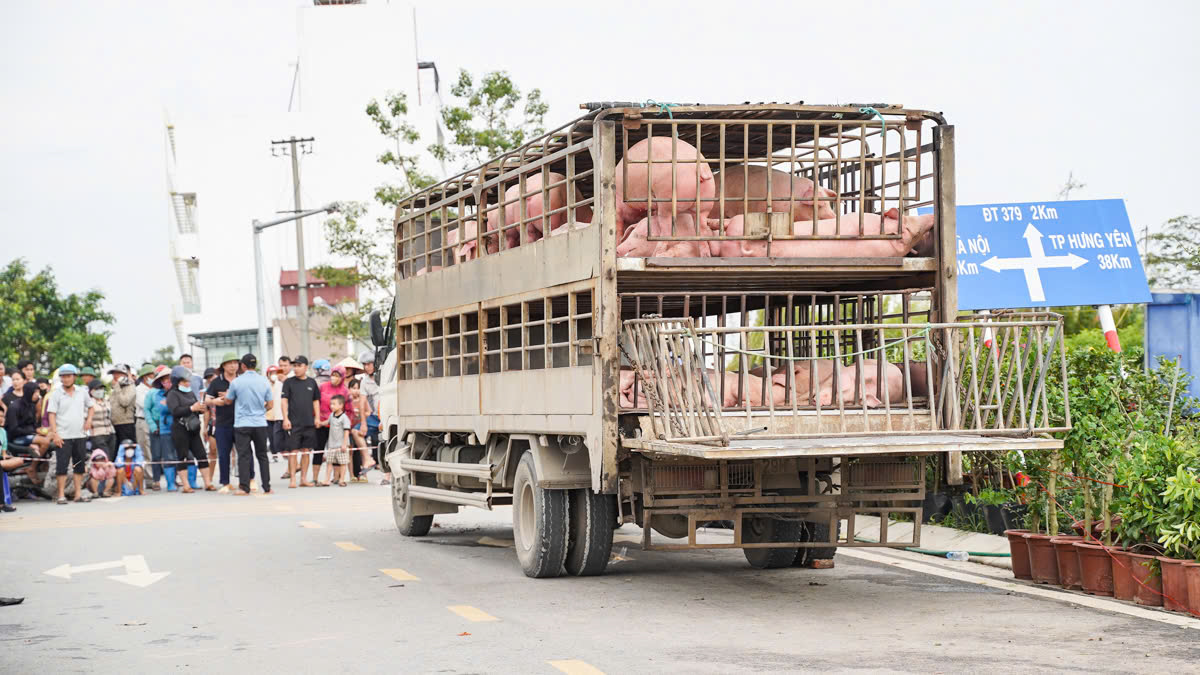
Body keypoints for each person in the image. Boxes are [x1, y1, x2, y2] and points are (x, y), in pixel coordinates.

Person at [226, 353, 273, 496]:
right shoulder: (264, 381)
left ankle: (244, 487)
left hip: (242, 423)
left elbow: (228, 400)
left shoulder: (236, 382)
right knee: (262, 456)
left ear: (243, 366)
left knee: (244, 456)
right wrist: (259, 410)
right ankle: (267, 487)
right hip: (260, 423)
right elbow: (270, 404)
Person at [47, 364, 94, 504]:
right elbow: (51, 415)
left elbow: (91, 407)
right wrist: (55, 434)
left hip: (79, 434)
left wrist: (89, 420)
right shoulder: (56, 394)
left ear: (74, 377)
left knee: (79, 465)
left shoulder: (82, 392)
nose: (66, 379)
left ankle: (78, 494)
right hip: (63, 436)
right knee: (62, 466)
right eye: (63, 376)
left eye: (68, 376)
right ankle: (61, 495)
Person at [166, 365, 213, 492]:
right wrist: (192, 408)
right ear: (177, 382)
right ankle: (186, 485)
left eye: (188, 381)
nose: (187, 383)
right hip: (180, 429)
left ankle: (208, 483)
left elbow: (196, 408)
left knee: (202, 455)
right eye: (184, 381)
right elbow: (175, 411)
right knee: (183, 456)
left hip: (193, 429)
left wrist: (200, 409)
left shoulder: (191, 392)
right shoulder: (172, 394)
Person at [280, 355, 319, 489]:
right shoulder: (288, 382)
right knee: (293, 451)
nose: (296, 368)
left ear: (306, 367)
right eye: (294, 366)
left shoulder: (312, 382)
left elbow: (316, 401)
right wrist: (285, 418)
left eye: (299, 365)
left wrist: (317, 417)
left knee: (306, 451)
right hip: (293, 423)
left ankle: (303, 479)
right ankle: (292, 479)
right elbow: (284, 401)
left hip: (308, 422)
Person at [206, 353, 240, 493]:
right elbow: (207, 400)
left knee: (244, 453)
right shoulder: (216, 382)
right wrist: (215, 401)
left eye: (235, 363)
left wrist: (230, 396)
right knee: (223, 454)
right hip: (222, 423)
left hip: (240, 422)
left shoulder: (241, 380)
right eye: (230, 363)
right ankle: (225, 482)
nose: (233, 366)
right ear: (224, 366)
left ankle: (248, 480)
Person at [144, 366, 178, 492]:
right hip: (156, 423)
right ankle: (156, 480)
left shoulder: (175, 391)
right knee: (156, 454)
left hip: (172, 424)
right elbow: (146, 410)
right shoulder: (152, 393)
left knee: (172, 453)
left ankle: (174, 479)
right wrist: (152, 425)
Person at [315, 365, 349, 486]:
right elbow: (325, 421)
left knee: (341, 461)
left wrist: (345, 443)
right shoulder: (323, 387)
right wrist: (318, 421)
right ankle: (324, 479)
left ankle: (340, 479)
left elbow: (346, 430)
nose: (334, 378)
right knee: (326, 458)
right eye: (333, 375)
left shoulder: (345, 391)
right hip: (329, 437)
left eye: (337, 375)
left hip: (339, 440)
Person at [359, 352, 386, 485]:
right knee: (356, 432)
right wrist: (363, 423)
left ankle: (387, 476)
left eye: (369, 364)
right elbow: (362, 401)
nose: (367, 367)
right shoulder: (364, 382)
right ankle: (368, 459)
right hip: (374, 416)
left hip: (386, 415)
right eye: (364, 364)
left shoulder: (386, 376)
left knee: (387, 442)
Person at [87, 380, 117, 495]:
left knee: (110, 461)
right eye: (97, 389)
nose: (100, 391)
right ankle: (99, 489)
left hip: (110, 432)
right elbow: (86, 419)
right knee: (102, 462)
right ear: (91, 391)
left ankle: (107, 489)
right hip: (97, 434)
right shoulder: (89, 403)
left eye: (101, 388)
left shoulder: (107, 401)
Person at [133, 365, 160, 490]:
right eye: (152, 375)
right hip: (143, 421)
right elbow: (145, 405)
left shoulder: (157, 389)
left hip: (157, 421)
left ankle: (157, 478)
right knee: (146, 451)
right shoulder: (139, 389)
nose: (154, 378)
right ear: (145, 377)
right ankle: (150, 479)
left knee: (157, 451)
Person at [346, 377, 376, 480]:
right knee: (350, 451)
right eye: (353, 388)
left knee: (362, 450)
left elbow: (369, 412)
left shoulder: (363, 400)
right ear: (349, 389)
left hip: (360, 429)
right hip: (349, 429)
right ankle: (351, 475)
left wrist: (360, 414)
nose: (356, 390)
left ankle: (364, 474)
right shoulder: (347, 400)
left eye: (358, 388)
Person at [324, 394, 352, 487]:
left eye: (334, 404)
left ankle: (342, 480)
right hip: (331, 445)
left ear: (341, 405)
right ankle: (326, 480)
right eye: (331, 404)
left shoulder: (344, 418)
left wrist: (344, 444)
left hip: (341, 446)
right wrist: (319, 423)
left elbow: (346, 431)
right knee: (329, 463)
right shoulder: (331, 415)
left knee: (343, 463)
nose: (332, 406)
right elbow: (327, 422)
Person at [108, 365, 137, 450]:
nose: (115, 376)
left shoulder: (130, 386)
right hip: (114, 424)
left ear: (124, 375)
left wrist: (117, 387)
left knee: (128, 449)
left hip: (126, 423)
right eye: (114, 374)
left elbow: (125, 402)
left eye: (117, 374)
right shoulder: (115, 388)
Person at [264, 365, 282, 462]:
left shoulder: (281, 385)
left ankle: (281, 451)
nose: (273, 375)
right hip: (268, 415)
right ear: (268, 375)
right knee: (271, 436)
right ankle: (274, 454)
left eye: (275, 373)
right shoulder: (265, 385)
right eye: (272, 373)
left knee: (277, 436)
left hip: (279, 415)